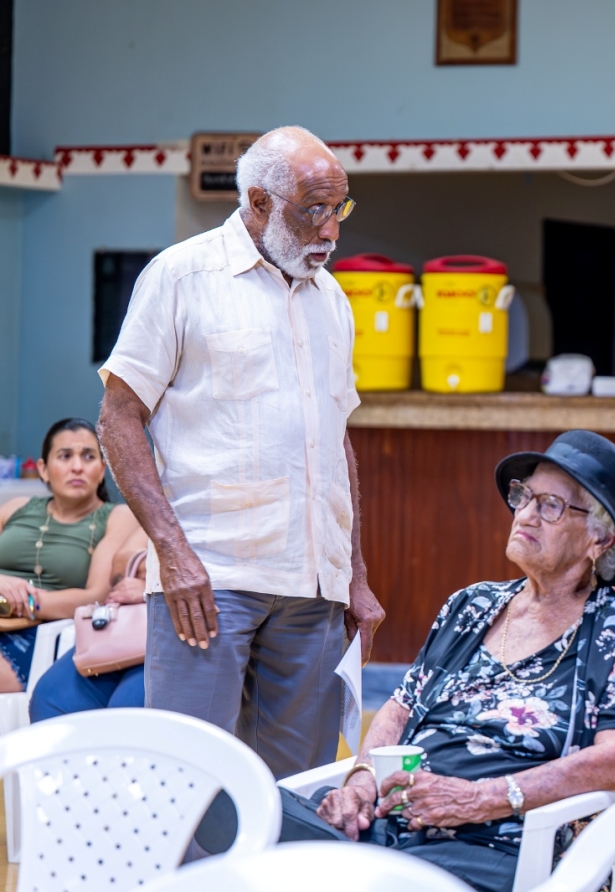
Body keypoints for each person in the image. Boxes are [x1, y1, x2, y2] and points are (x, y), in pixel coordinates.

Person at [95, 126, 384, 778]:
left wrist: (355, 575)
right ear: (257, 202)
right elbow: (119, 418)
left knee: (294, 791)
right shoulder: (182, 275)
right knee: (191, 783)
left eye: (339, 209)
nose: (331, 231)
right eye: (313, 208)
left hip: (314, 587)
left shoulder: (331, 299)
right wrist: (170, 549)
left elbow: (333, 440)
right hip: (209, 577)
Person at [279, 431, 615, 892]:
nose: (525, 514)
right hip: (394, 818)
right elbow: (401, 706)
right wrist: (362, 781)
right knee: (261, 811)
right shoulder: (471, 605)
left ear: (598, 539)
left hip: (501, 841)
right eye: (524, 497)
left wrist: (481, 799)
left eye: (551, 505)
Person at [0, 418, 139, 692]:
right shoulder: (16, 507)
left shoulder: (117, 517)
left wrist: (16, 600)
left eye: (88, 456)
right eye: (65, 456)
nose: (77, 466)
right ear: (43, 469)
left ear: (102, 469)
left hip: (39, 636)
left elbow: (96, 595)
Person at [29, 525, 149, 720]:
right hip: (129, 622)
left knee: (127, 710)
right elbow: (121, 562)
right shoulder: (168, 502)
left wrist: (152, 581)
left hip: (184, 626)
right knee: (51, 699)